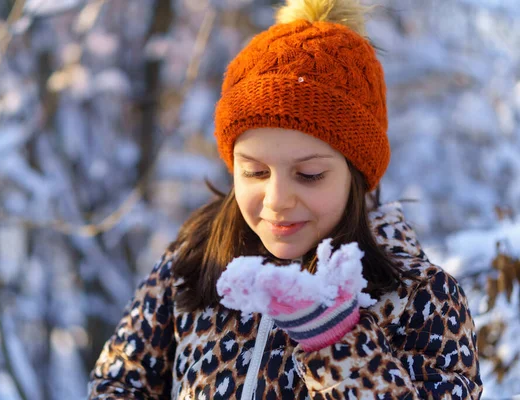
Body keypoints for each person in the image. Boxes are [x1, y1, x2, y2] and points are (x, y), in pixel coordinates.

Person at [87, 0, 483, 398]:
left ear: (356, 175)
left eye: (309, 175)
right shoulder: (194, 261)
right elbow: (119, 380)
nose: (277, 200)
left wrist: (337, 343)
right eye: (255, 172)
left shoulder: (420, 296)